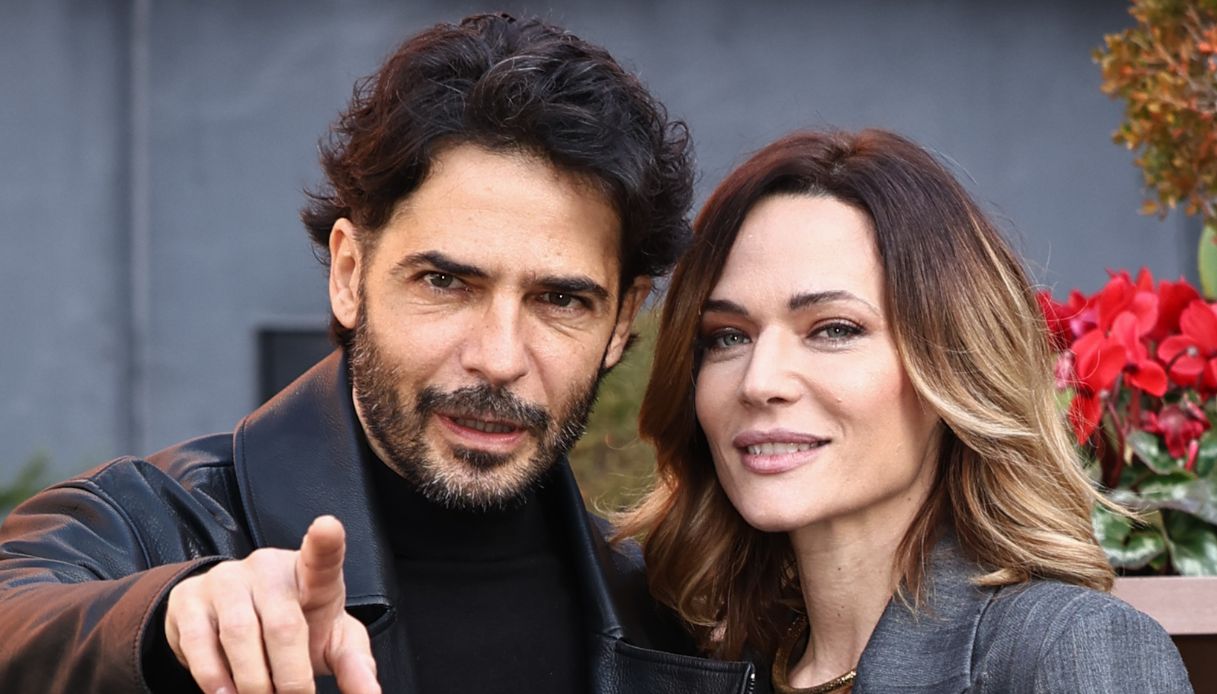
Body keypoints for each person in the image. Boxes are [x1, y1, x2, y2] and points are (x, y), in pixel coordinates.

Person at [0, 14, 759, 694]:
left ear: (621, 320)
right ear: (349, 274)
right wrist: (171, 617)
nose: (498, 358)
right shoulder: (153, 526)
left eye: (560, 300)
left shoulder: (668, 619)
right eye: (445, 282)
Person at [619, 129, 1192, 693]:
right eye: (727, 337)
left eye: (834, 329)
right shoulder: (703, 663)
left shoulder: (1071, 649)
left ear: (953, 365)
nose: (759, 381)